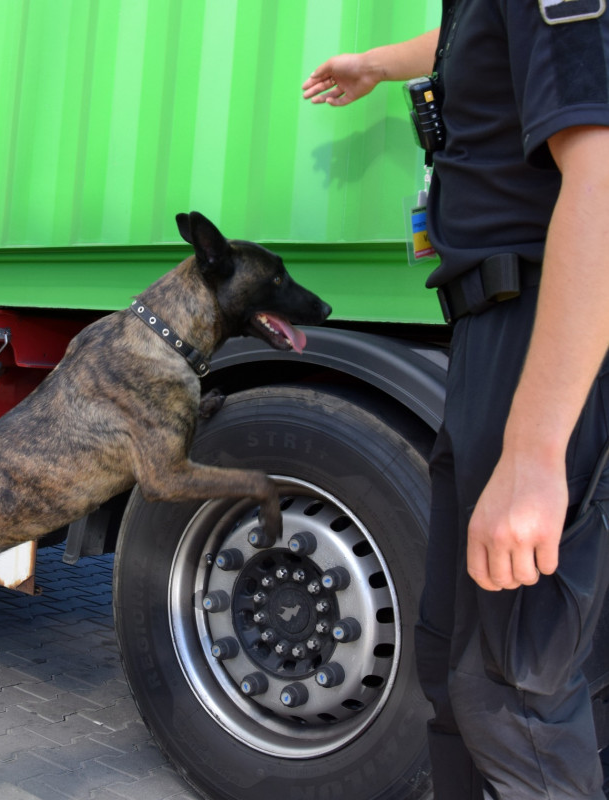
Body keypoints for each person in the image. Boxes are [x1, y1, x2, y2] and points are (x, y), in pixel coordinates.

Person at [303, 3, 609, 798]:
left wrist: (535, 454)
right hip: (506, 332)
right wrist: (379, 63)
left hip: (542, 335)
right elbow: (484, 34)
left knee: (510, 693)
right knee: (467, 674)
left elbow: (603, 177)